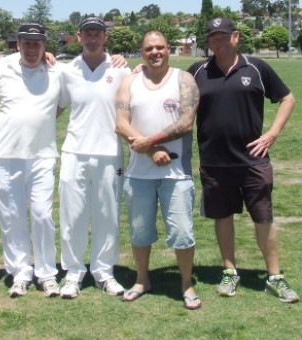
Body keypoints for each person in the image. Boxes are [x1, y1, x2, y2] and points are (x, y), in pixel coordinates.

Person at [187, 17, 299, 303]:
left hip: (253, 161)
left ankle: (274, 276)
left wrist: (272, 134)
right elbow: (166, 84)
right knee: (223, 217)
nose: (218, 41)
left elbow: (287, 98)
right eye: (213, 37)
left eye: (223, 36)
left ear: (235, 37)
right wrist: (137, 68)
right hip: (214, 162)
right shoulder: (197, 70)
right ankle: (229, 271)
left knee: (263, 217)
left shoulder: (257, 67)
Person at [115, 31, 201, 309]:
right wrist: (152, 151)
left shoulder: (184, 80)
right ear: (142, 51)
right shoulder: (130, 81)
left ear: (168, 49)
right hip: (139, 174)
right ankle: (142, 280)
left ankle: (186, 284)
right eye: (149, 48)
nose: (155, 52)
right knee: (139, 232)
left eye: (160, 47)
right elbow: (121, 123)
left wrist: (151, 140)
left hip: (177, 174)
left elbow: (187, 122)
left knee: (182, 232)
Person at [0, 23, 67, 298]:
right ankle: (20, 271)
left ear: (45, 45)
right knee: (12, 217)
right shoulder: (1, 67)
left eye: (37, 43)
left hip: (42, 156)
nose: (32, 48)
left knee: (43, 215)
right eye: (27, 42)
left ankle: (46, 273)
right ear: (18, 43)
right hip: (7, 156)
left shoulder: (56, 71)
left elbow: (73, 93)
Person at [57, 17, 130, 298]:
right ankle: (73, 273)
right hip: (74, 152)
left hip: (110, 152)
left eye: (97, 33)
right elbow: (55, 109)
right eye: (87, 33)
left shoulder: (121, 69)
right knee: (72, 216)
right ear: (78, 37)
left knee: (107, 216)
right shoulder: (67, 71)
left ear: (105, 37)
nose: (92, 38)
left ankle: (104, 272)